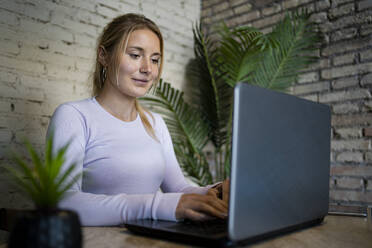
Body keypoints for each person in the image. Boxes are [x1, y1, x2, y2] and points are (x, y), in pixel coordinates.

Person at [47, 13, 229, 226]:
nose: (148, 69)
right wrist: (156, 206)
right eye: (135, 55)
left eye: (154, 59)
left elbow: (179, 189)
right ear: (104, 56)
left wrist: (216, 191)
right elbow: (63, 202)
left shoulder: (155, 123)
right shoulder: (74, 116)